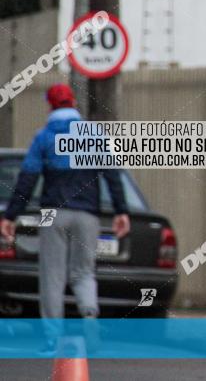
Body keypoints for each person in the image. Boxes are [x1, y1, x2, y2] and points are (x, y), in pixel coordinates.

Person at [0, 84, 130, 349]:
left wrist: (11, 215)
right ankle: (90, 312)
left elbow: (27, 178)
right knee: (83, 271)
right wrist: (121, 211)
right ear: (73, 104)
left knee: (52, 275)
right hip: (88, 215)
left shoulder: (44, 136)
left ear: (50, 105)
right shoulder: (93, 135)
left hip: (52, 213)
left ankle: (51, 338)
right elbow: (113, 175)